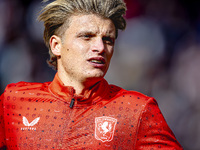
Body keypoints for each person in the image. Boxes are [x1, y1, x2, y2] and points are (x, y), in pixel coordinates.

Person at [0, 0, 183, 149]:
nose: (101, 48)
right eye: (86, 36)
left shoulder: (137, 110)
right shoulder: (14, 101)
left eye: (108, 39)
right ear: (56, 45)